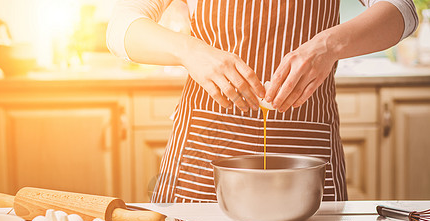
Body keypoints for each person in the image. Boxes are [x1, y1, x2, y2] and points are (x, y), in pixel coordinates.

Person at [107, 0, 418, 203]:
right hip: (202, 158)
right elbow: (121, 26)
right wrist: (189, 51)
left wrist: (329, 45)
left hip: (305, 160)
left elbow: (402, 11)